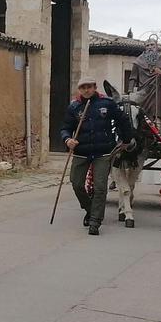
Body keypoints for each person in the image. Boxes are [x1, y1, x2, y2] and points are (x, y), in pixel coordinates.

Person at [60, 73, 133, 235]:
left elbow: (123, 120)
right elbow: (65, 128)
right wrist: (67, 140)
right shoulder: (74, 107)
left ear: (94, 88)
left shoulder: (107, 103)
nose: (86, 90)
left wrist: (126, 139)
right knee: (77, 183)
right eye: (83, 88)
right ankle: (90, 209)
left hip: (103, 152)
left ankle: (95, 221)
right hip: (81, 151)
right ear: (79, 89)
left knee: (100, 187)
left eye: (89, 87)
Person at [130, 38, 161, 122]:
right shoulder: (138, 61)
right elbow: (133, 77)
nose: (150, 47)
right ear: (145, 48)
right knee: (142, 119)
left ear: (156, 46)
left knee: (158, 119)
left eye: (152, 45)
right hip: (143, 94)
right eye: (147, 45)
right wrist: (130, 92)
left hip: (158, 94)